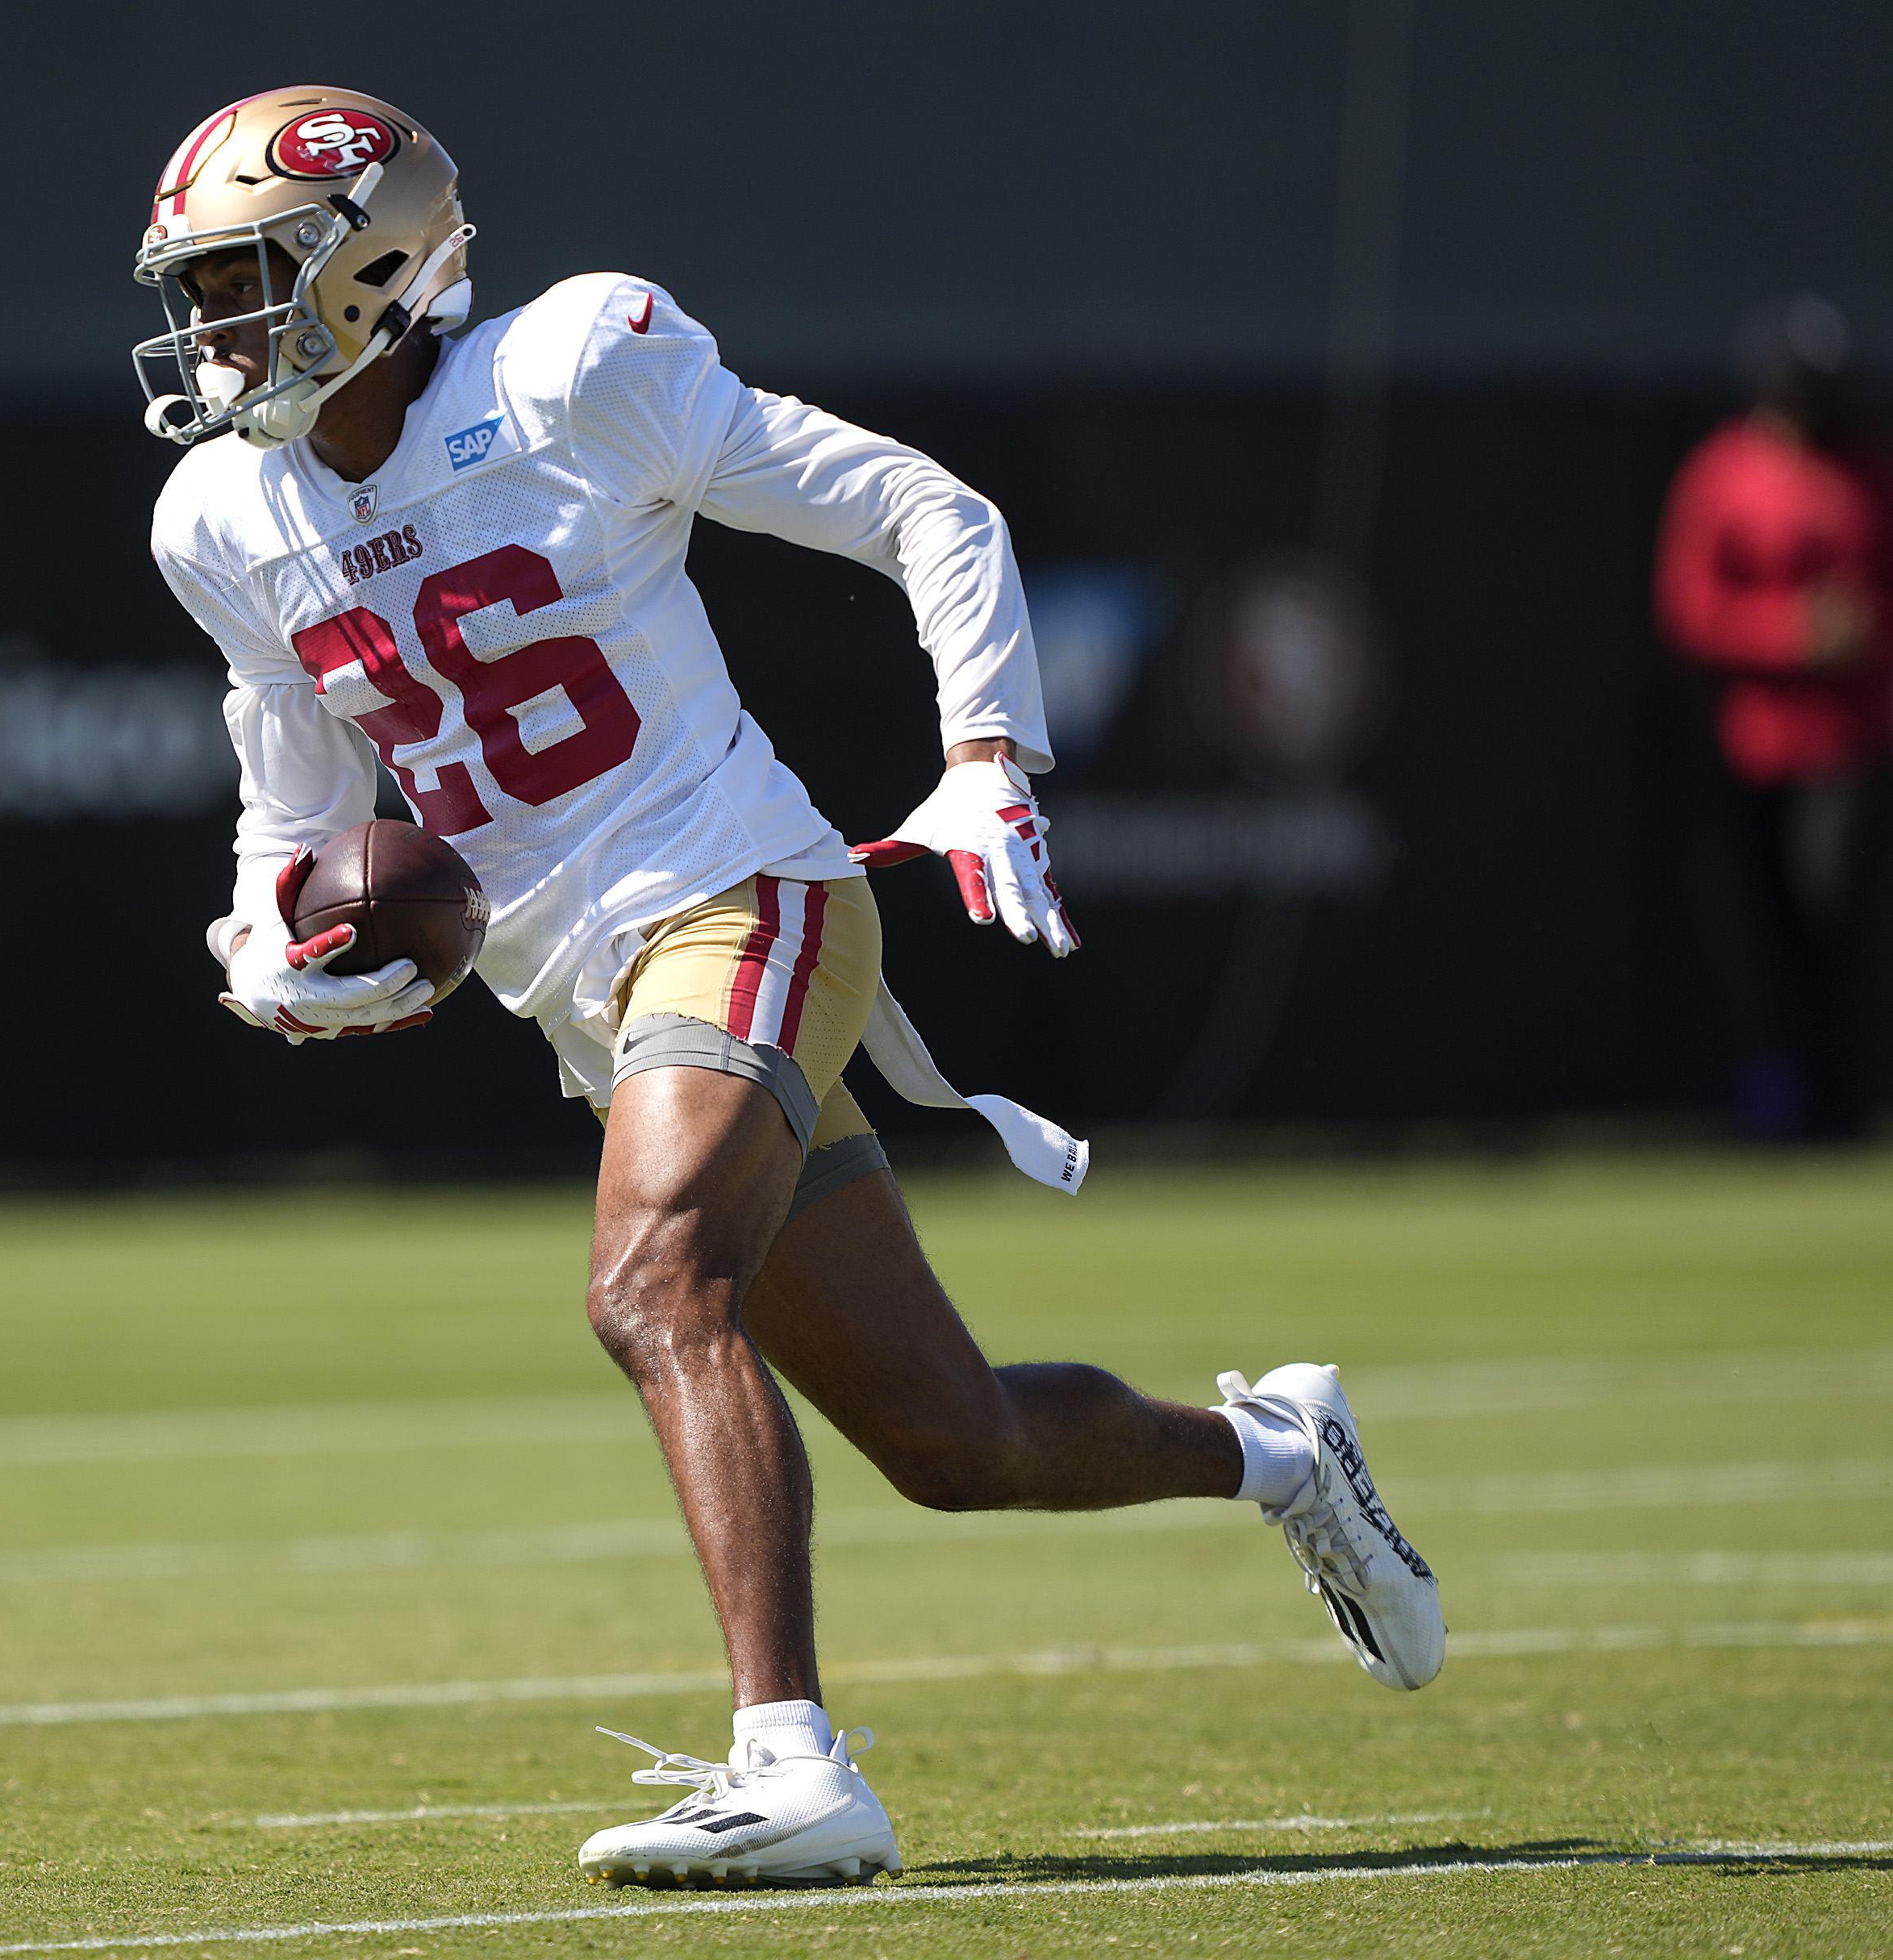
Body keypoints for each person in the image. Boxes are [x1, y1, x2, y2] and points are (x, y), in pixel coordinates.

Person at [137, 88, 1442, 1890]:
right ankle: (1283, 1453)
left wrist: (987, 750)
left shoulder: (570, 371)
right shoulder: (221, 511)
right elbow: (287, 793)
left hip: (746, 895)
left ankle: (791, 1764)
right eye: (196, 292)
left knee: (653, 1277)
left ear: (371, 265)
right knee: (952, 1438)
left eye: (245, 281)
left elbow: (931, 507)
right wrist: (270, 948)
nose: (212, 331)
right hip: (591, 998)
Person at [1656, 296, 1888, 1141]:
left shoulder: (1870, 473)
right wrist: (1794, 630)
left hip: (1851, 741)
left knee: (1833, 909)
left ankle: (1840, 1099)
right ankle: (1779, 1094)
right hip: (1755, 746)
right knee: (1766, 924)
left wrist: (1859, 634)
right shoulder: (1724, 474)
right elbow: (1690, 609)